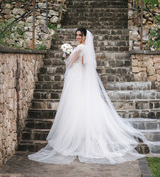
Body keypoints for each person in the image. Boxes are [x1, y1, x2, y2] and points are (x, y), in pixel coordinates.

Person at [28, 27, 150, 165]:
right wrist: (67, 54)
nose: (77, 37)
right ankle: (80, 139)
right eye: (76, 35)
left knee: (75, 107)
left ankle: (76, 141)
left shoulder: (80, 48)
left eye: (80, 35)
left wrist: (66, 54)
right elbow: (82, 63)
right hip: (79, 78)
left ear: (85, 36)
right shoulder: (85, 49)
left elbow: (70, 63)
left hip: (76, 79)